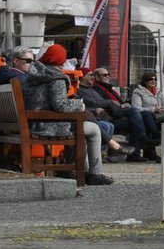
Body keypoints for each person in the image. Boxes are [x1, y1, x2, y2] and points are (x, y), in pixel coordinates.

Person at [23, 42, 111, 185]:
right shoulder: (55, 77)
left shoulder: (31, 75)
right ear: (61, 60)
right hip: (48, 125)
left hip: (33, 122)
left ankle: (82, 170)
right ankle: (95, 173)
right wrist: (79, 104)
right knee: (93, 129)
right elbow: (61, 106)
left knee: (82, 126)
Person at [83, 66, 154, 160]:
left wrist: (123, 104)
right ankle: (142, 141)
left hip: (116, 113)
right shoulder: (96, 88)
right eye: (104, 75)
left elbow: (113, 102)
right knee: (135, 113)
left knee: (144, 116)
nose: (107, 76)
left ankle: (140, 151)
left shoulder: (107, 88)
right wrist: (115, 104)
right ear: (97, 77)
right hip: (110, 116)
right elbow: (102, 103)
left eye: (108, 74)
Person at [128, 71, 164, 161]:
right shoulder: (138, 92)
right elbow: (136, 107)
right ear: (145, 81)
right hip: (143, 116)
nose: (153, 81)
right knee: (147, 116)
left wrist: (163, 108)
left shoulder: (158, 92)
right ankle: (154, 138)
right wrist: (153, 109)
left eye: (155, 79)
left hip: (158, 116)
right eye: (151, 79)